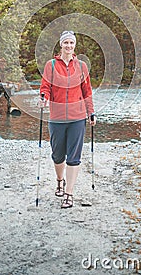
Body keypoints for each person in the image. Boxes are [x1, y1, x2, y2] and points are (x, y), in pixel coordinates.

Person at [39, 30, 96, 209]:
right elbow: (45, 86)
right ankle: (59, 180)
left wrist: (91, 113)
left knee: (74, 157)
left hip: (77, 117)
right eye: (66, 43)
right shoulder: (51, 65)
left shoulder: (81, 66)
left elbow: (87, 92)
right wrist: (43, 97)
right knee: (57, 154)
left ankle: (69, 194)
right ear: (61, 45)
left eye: (71, 43)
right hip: (56, 117)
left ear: (74, 46)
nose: (69, 46)